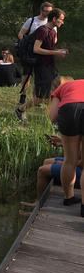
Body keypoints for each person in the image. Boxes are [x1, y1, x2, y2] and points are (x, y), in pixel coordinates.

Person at [18, 8, 67, 122]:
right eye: (61, 19)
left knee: (57, 91)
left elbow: (48, 48)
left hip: (51, 66)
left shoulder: (53, 31)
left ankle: (54, 119)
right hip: (42, 67)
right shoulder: (43, 30)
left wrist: (59, 50)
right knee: (41, 97)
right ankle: (20, 110)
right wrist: (56, 52)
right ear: (54, 19)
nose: (62, 22)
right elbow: (36, 49)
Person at [47, 76, 83, 207]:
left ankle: (69, 197)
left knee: (69, 161)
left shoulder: (61, 88)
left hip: (69, 110)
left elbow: (53, 117)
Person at [17, 2, 53, 106]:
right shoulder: (32, 20)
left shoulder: (51, 23)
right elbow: (21, 34)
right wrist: (26, 44)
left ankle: (36, 98)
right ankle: (23, 95)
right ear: (41, 10)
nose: (47, 13)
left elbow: (54, 38)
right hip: (29, 53)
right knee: (27, 75)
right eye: (45, 11)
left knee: (39, 77)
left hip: (42, 54)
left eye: (49, 11)